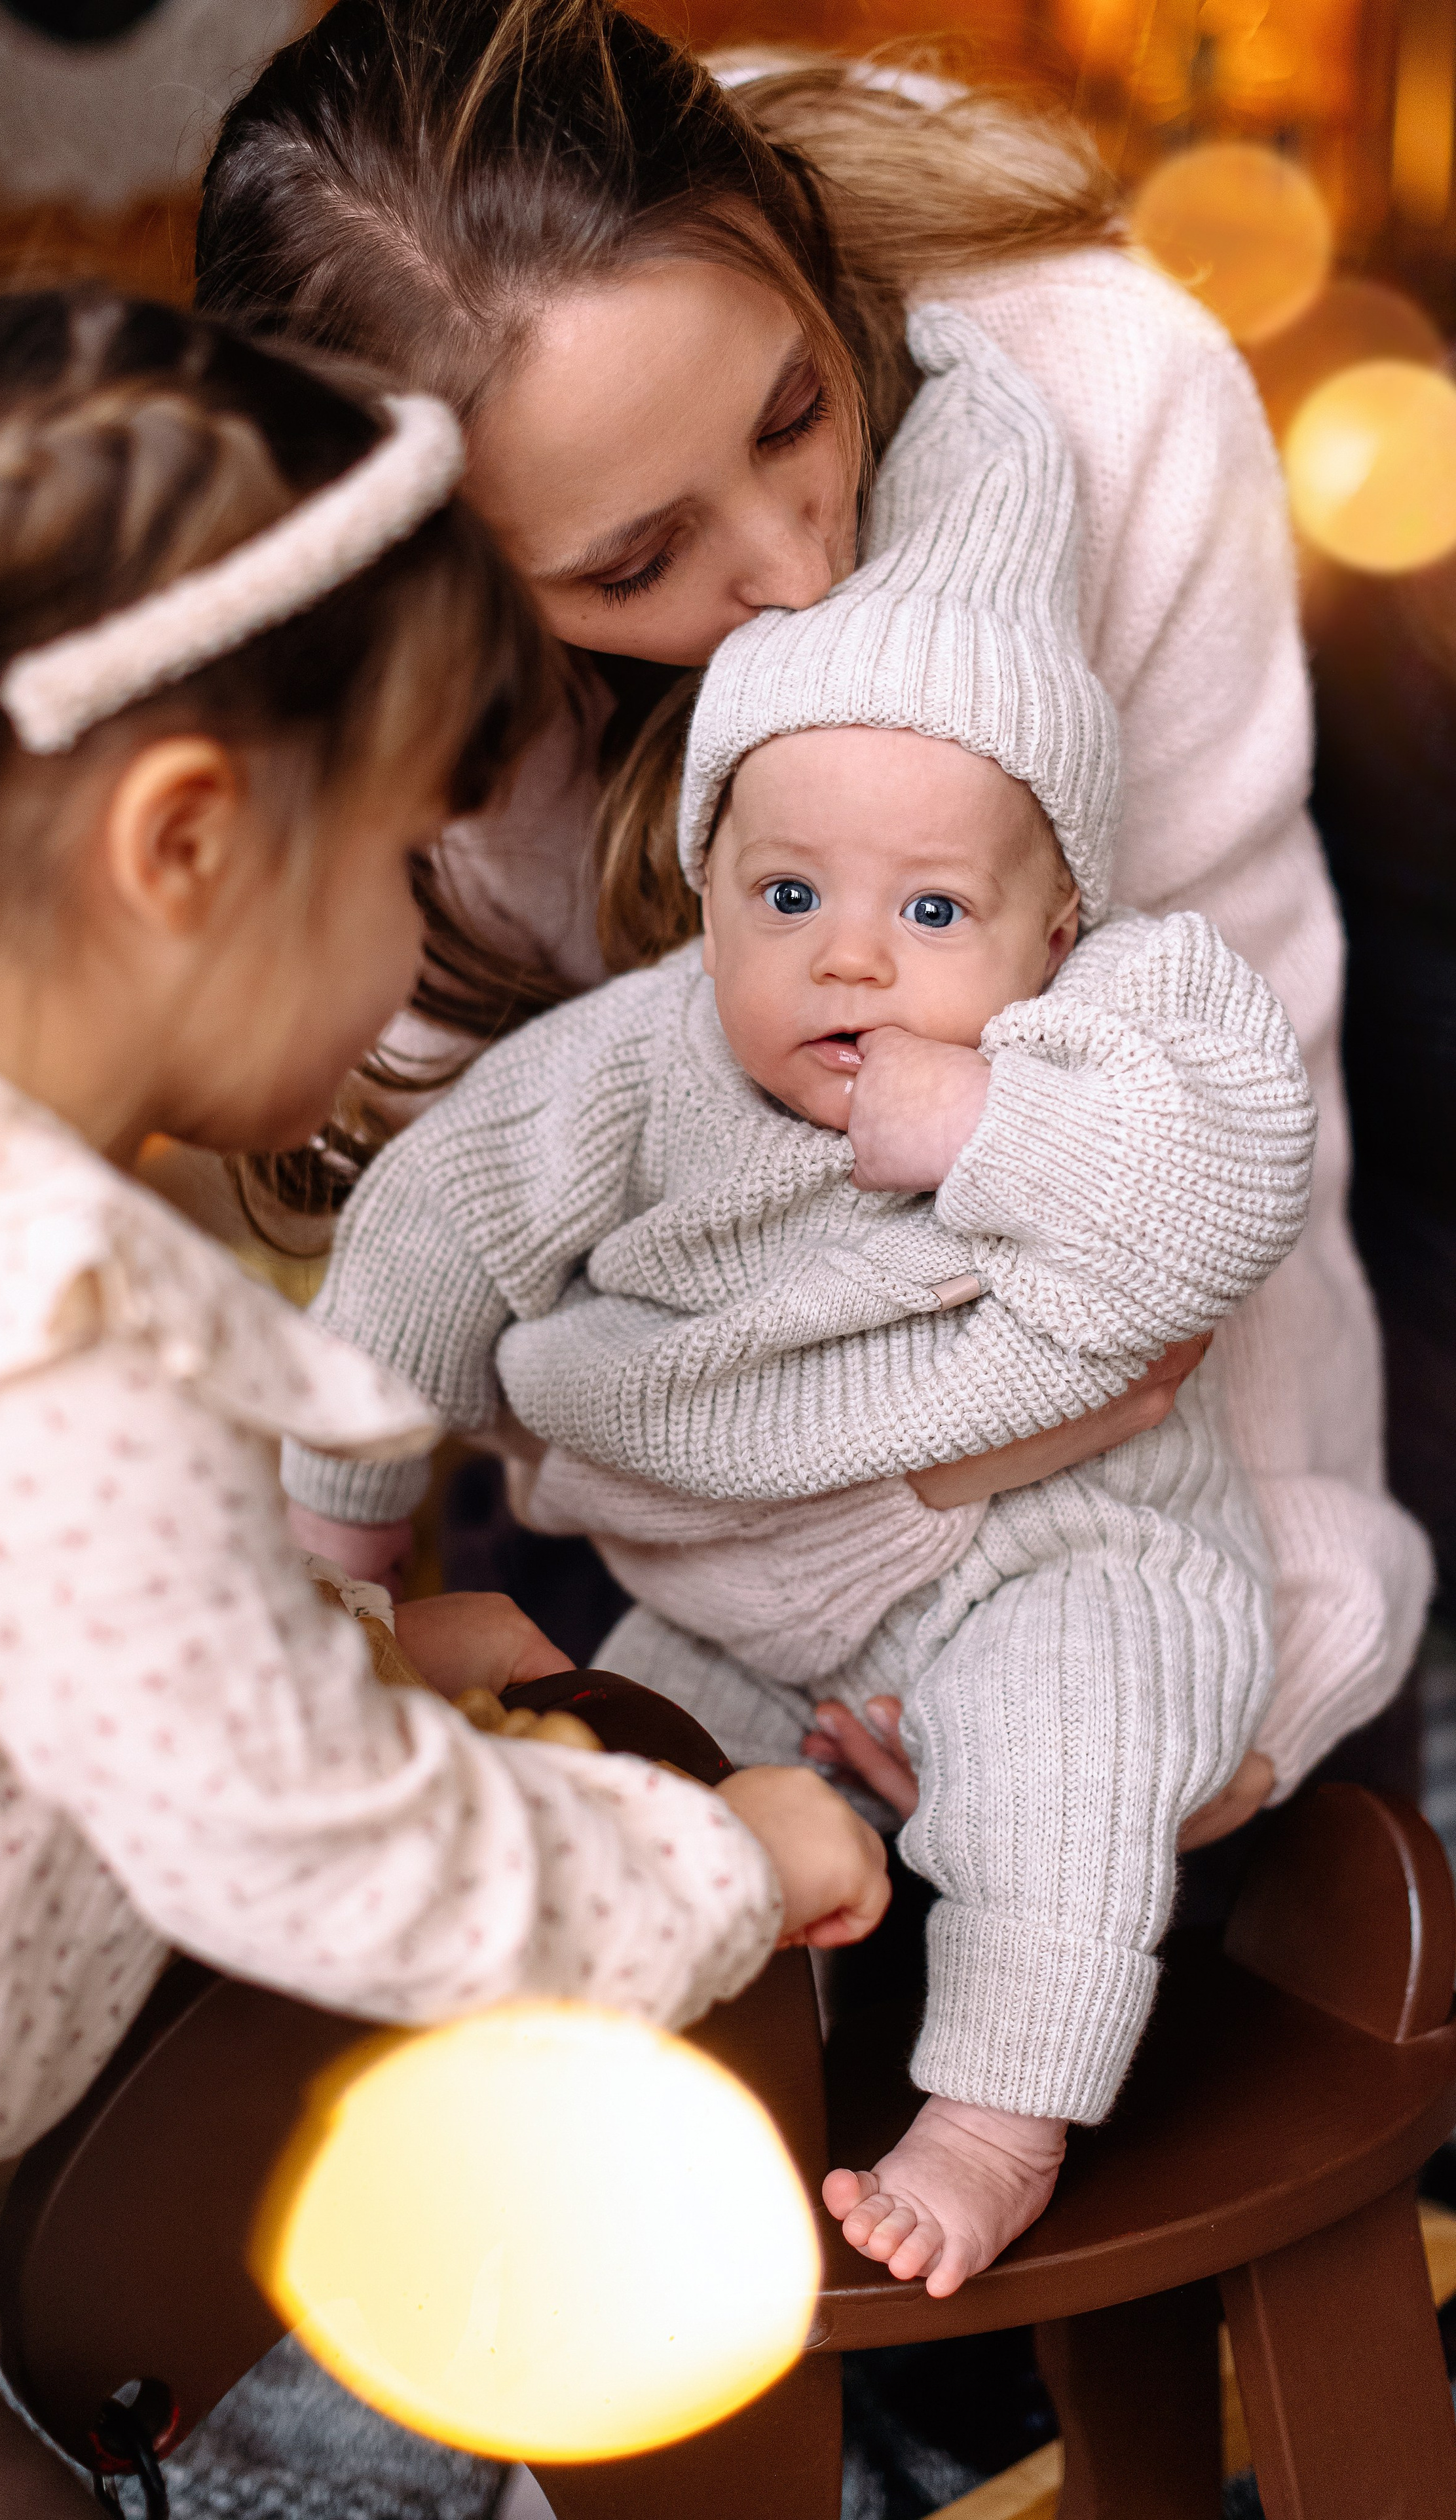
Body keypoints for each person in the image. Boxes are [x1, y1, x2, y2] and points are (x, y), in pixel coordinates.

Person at [0, 288, 889, 2518]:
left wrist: (343, 1654)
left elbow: (36, 1656)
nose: (412, 951)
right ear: (183, 848)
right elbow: (347, 1872)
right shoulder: (27, 1339)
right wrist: (723, 1860)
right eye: (396, 861)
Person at [195, 0, 1431, 1828]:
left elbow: (1234, 1141)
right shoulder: (381, 721)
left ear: (779, 220)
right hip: (684, 1539)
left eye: (793, 412)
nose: (796, 565)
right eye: (635, 561)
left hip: (1164, 1541)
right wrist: (865, 1536)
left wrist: (1277, 1654)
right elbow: (493, 1296)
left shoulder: (1109, 389)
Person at [282, 306, 1316, 2297]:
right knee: (650, 1763)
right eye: (790, 898)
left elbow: (1224, 1197)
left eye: (934, 914)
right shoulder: (646, 1053)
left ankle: (997, 2116)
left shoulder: (1127, 1023)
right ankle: (629, 2103)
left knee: (1066, 1768)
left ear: (1058, 918)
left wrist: (982, 1121)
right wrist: (336, 1526)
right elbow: (434, 1218)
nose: (852, 962)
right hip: (746, 1566)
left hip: (1059, 1553)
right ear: (707, 884)